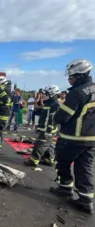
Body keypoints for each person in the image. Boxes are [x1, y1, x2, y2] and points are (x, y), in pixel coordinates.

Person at [49, 59, 95, 214]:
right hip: (92, 138)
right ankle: (86, 200)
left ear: (80, 75)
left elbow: (63, 116)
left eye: (71, 76)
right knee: (85, 167)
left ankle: (65, 188)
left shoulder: (77, 93)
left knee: (62, 162)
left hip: (73, 137)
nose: (69, 79)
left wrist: (55, 117)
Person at [24, 85, 60, 167]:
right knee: (48, 144)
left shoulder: (55, 105)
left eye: (46, 94)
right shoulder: (49, 103)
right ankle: (49, 160)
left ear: (52, 94)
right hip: (45, 128)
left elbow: (52, 119)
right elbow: (44, 116)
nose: (44, 95)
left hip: (48, 129)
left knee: (40, 144)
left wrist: (49, 130)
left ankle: (33, 161)